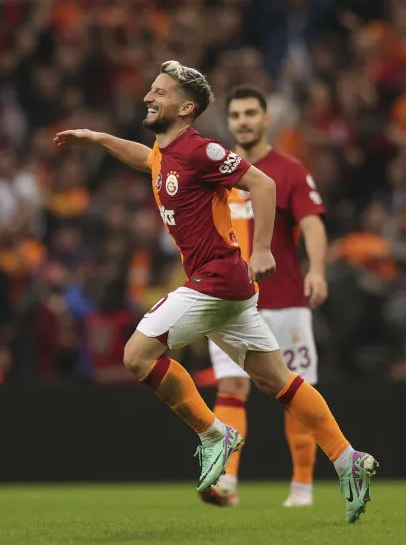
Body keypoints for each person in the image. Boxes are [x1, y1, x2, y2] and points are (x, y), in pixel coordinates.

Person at [54, 61, 377, 524]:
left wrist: (261, 248)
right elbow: (145, 159)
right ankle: (348, 459)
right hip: (229, 290)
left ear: (186, 108)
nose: (148, 97)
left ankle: (213, 434)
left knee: (137, 356)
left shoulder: (201, 150)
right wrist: (98, 138)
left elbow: (261, 183)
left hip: (217, 281)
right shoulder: (165, 152)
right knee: (278, 382)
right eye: (150, 90)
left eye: (159, 92)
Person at [198, 86, 328, 509]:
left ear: (266, 118)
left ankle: (302, 487)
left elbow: (312, 223)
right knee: (231, 387)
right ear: (229, 122)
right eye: (236, 115)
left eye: (251, 113)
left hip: (285, 301)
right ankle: (227, 483)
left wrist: (317, 269)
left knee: (295, 394)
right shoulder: (217, 170)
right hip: (231, 304)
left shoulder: (290, 170)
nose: (243, 121)